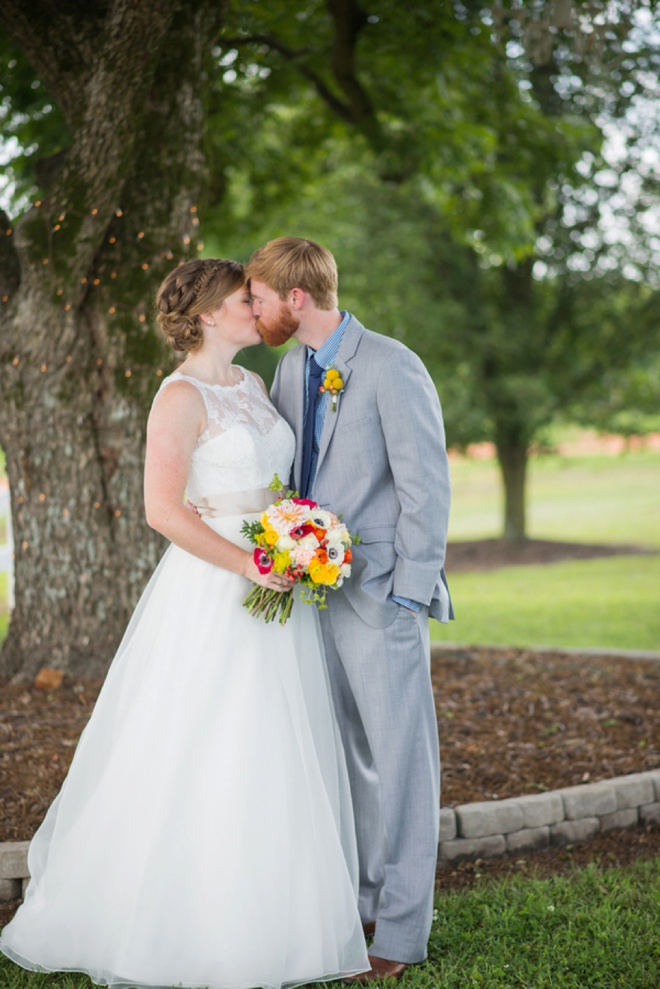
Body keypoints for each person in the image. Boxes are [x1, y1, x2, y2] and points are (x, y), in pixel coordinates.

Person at [0, 258, 369, 989]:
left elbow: (277, 483)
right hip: (216, 587)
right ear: (206, 313)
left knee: (275, 743)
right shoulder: (177, 395)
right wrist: (246, 564)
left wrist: (298, 537)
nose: (255, 308)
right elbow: (161, 510)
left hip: (276, 579)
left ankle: (280, 916)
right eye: (244, 299)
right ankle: (194, 923)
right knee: (212, 740)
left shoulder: (257, 385)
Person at [247, 237, 453, 983]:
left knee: (402, 767)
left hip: (380, 597)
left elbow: (427, 486)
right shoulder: (288, 368)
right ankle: (363, 901)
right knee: (349, 765)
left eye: (260, 296)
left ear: (295, 298)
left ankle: (401, 931)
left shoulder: (392, 364)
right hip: (313, 602)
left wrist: (407, 592)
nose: (255, 308)